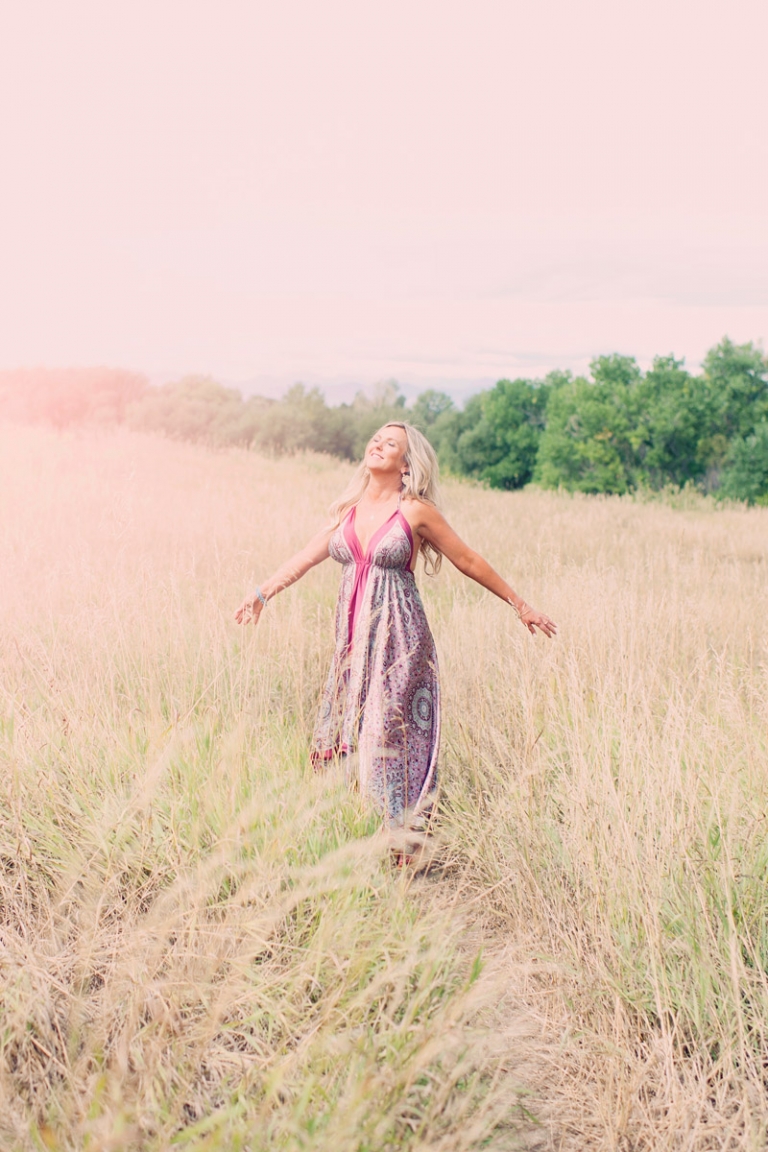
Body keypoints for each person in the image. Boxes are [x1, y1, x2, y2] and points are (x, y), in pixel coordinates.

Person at [235, 422, 556, 833]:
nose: (378, 445)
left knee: (383, 739)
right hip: (352, 644)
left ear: (406, 464)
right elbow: (306, 556)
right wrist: (262, 593)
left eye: (390, 444)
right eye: (376, 439)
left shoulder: (416, 511)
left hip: (400, 642)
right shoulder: (348, 511)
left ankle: (400, 839)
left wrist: (521, 606)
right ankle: (355, 832)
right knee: (350, 731)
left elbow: (468, 560)